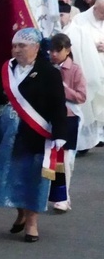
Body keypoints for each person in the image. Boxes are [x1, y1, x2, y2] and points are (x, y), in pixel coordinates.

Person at [0, 28, 67, 243]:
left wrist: (60, 133)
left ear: (36, 48)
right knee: (11, 175)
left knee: (32, 176)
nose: (16, 50)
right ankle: (20, 212)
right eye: (14, 46)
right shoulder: (5, 70)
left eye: (22, 46)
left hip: (33, 133)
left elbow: (58, 104)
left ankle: (32, 223)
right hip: (3, 133)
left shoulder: (49, 72)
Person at [48, 32, 86, 212]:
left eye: (58, 50)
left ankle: (64, 197)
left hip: (69, 116)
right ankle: (45, 194)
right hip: (48, 117)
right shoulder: (46, 68)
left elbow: (81, 96)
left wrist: (63, 89)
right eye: (51, 50)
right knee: (48, 157)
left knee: (66, 158)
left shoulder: (75, 70)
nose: (54, 54)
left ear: (68, 50)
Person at [69, 0, 104, 149]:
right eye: (102, 12)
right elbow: (73, 40)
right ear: (94, 8)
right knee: (90, 101)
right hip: (88, 65)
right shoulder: (79, 20)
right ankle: (87, 140)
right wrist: (91, 46)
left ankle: (101, 134)